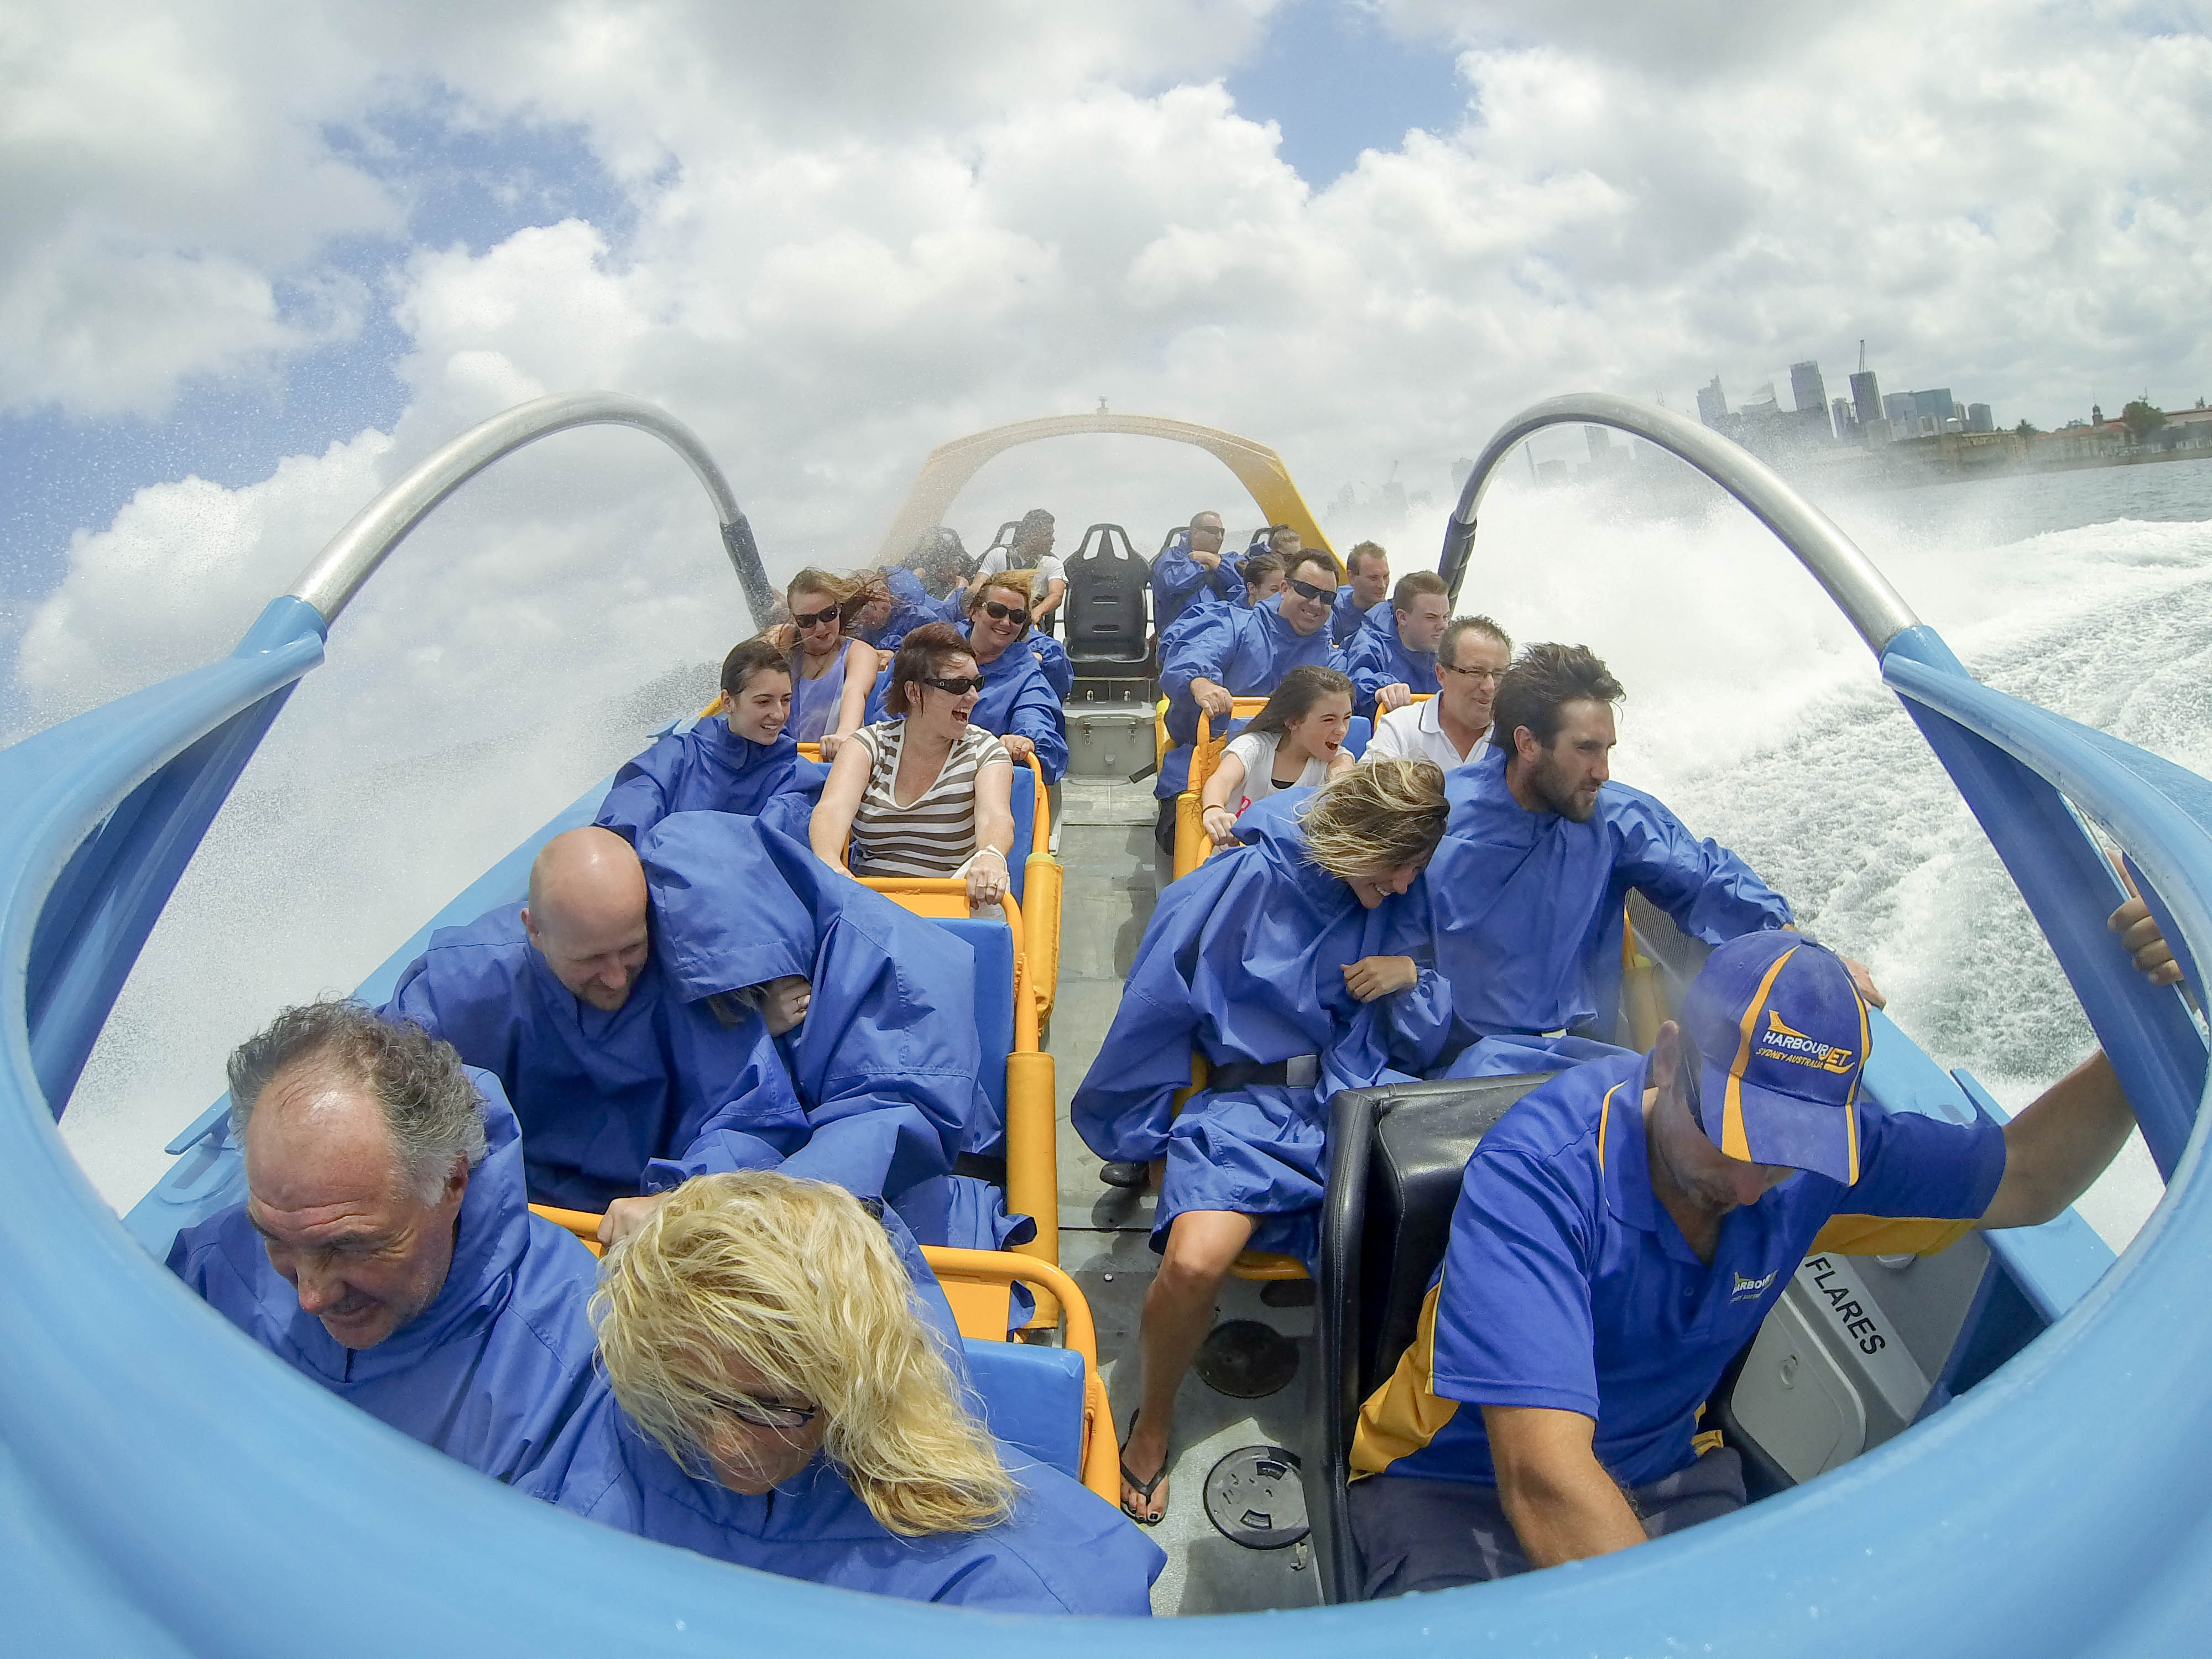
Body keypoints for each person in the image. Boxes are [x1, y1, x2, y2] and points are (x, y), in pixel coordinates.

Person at [1346, 931, 2148, 1594]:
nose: (1747, 1180)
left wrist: (2145, 1015)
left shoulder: (1815, 1173)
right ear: (1667, 1060)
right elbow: (1543, 1474)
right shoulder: (1541, 1177)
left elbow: (2030, 1177)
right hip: (1454, 1486)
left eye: (1783, 1150)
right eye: (1731, 1132)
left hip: (1667, 1475)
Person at [1072, 761, 1471, 1524]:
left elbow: (1426, 1034)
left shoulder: (1405, 894)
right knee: (1194, 1262)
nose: (1399, 888)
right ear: (1362, 840)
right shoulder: (1242, 880)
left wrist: (1412, 976)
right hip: (1249, 1108)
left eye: (1414, 874)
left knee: (1440, 1244)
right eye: (1394, 869)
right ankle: (1152, 1423)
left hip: (1360, 1101)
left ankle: (1379, 1427)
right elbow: (1156, 1002)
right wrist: (1149, 1129)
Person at [519, 1172, 1162, 1611]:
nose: (722, 1445)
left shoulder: (1029, 1592)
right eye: (687, 1395)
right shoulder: (625, 1428)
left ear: (854, 1382)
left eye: (766, 1406)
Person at [166, 1000, 599, 1483]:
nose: (311, 1296)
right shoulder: (213, 1267)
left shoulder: (571, 1368)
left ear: (452, 1183)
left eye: (349, 1246)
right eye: (276, 1239)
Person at [1422, 643, 1877, 1058]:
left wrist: (1809, 959)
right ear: (1528, 744)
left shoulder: (1615, 818)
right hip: (1451, 1061)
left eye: (1607, 750)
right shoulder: (1438, 814)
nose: (1602, 771)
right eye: (1585, 749)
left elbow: (1706, 882)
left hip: (1572, 1060)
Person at [628, 810, 1019, 1258]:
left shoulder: (897, 965)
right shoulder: (707, 978)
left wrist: (716, 1213)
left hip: (897, 1192)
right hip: (774, 1196)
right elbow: (737, 1109)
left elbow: (888, 1127)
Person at [383, 826, 806, 1226]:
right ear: (534, 931)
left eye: (631, 948)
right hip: (511, 1207)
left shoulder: (685, 969)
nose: (617, 978)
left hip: (660, 1204)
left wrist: (680, 1198)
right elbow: (383, 1098)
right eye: (590, 960)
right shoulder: (456, 985)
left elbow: (751, 1112)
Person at [1152, 547, 1347, 855]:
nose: (1316, 604)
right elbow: (1193, 654)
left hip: (1296, 779)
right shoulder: (1235, 624)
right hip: (1212, 762)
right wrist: (1202, 683)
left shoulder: (1331, 659)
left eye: (1327, 597)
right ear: (1284, 588)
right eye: (1307, 591)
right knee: (1185, 841)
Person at [813, 623, 1015, 914]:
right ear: (914, 691)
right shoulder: (868, 744)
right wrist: (830, 864)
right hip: (871, 906)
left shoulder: (985, 751)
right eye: (958, 685)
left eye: (976, 684)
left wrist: (991, 855)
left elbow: (996, 817)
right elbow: (832, 810)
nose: (973, 696)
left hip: (947, 909)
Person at [594, 638, 831, 846]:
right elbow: (632, 806)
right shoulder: (676, 756)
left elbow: (773, 841)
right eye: (764, 702)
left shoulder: (793, 775)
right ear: (728, 702)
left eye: (786, 700)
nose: (779, 714)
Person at [1200, 664, 1357, 847]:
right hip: (1237, 859)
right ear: (1293, 721)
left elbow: (1344, 782)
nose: (1341, 730)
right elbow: (1222, 780)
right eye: (1329, 720)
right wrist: (1214, 809)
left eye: (1347, 718)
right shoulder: (1254, 747)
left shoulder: (1339, 759)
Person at [1366, 615, 1513, 772]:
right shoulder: (1401, 727)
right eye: (1475, 672)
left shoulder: (1519, 737)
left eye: (1499, 674)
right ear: (1441, 674)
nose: (1489, 687)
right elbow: (1364, 791)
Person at [781, 568, 879, 755]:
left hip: (831, 762)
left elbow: (855, 691)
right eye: (808, 620)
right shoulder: (784, 642)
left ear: (839, 609)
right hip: (783, 761)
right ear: (795, 620)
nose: (820, 627)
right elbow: (749, 665)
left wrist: (846, 732)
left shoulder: (858, 652)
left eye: (829, 614)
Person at [1343, 571, 1448, 719]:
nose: (1442, 626)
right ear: (1402, 617)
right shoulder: (1371, 643)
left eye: (1446, 617)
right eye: (1431, 618)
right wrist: (1382, 690)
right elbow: (1359, 678)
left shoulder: (1452, 650)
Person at [972, 508, 1067, 632]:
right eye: (1047, 535)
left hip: (1029, 628)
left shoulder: (1053, 565)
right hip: (993, 624)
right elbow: (977, 586)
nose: (1053, 540)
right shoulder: (998, 555)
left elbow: (1056, 595)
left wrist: (1035, 614)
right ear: (1032, 536)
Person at [1151, 510, 1242, 633]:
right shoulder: (1172, 558)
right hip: (1182, 634)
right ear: (1195, 532)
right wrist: (1202, 567)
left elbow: (1250, 581)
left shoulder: (1228, 560)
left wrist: (1209, 559)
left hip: (1223, 633)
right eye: (1214, 531)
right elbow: (1174, 583)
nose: (1219, 538)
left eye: (1222, 532)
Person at [1332, 541, 1392, 645]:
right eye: (1373, 578)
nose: (1382, 586)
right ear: (1352, 577)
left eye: (1385, 577)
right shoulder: (1330, 608)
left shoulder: (1394, 618)